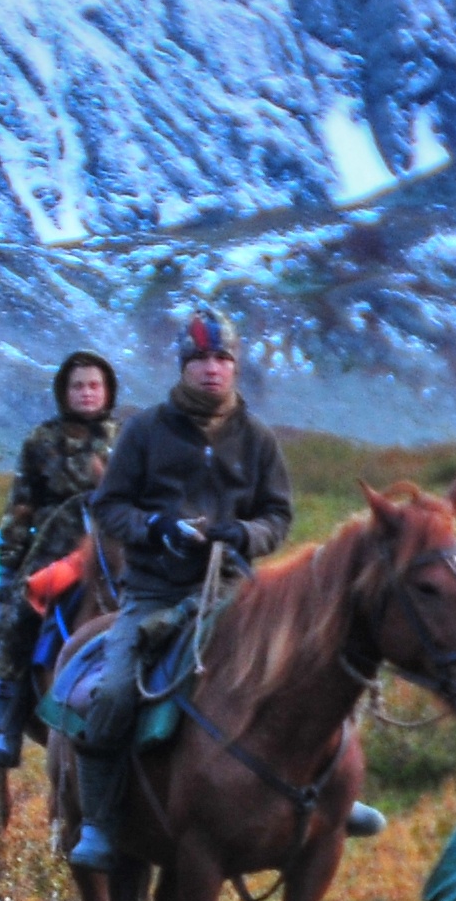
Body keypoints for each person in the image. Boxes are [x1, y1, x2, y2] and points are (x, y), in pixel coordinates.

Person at [66, 314, 298, 871]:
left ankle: (330, 796)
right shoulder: (145, 431)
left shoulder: (258, 439)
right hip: (153, 594)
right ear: (183, 367)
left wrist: (244, 533)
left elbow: (279, 515)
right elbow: (110, 507)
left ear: (235, 366)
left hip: (235, 594)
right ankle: (98, 821)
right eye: (200, 359)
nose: (212, 369)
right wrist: (156, 528)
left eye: (222, 359)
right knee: (115, 692)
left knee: (307, 669)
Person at [0, 350, 122, 769]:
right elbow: (22, 503)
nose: (87, 393)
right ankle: (6, 730)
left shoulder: (126, 439)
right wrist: (11, 559)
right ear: (64, 391)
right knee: (19, 617)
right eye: (78, 386)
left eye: (95, 385)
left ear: (107, 390)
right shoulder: (42, 441)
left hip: (115, 546)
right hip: (56, 549)